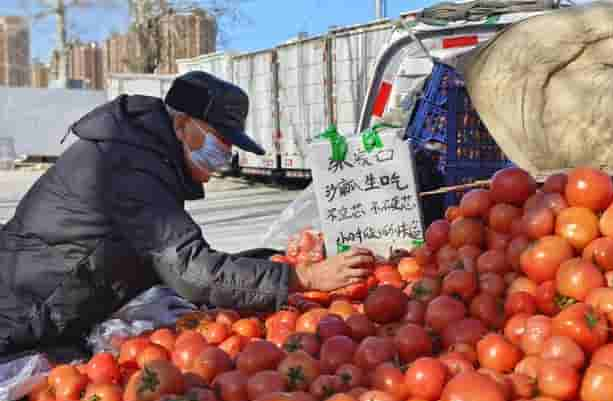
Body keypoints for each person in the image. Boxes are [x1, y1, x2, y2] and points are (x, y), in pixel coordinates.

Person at [0, 71, 374, 362]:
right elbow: (192, 270)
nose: (223, 154)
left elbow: (168, 255)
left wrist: (264, 265)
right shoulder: (128, 161)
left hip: (50, 302)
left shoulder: (145, 153)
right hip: (21, 307)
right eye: (218, 140)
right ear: (181, 125)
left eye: (230, 146)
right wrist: (303, 276)